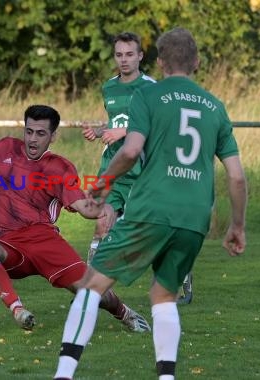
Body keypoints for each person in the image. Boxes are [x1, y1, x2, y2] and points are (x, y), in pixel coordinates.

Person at [53, 27, 247, 380]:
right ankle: (167, 377)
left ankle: (63, 374)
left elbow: (129, 150)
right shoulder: (216, 107)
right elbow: (236, 176)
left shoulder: (149, 95)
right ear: (197, 62)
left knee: (92, 285)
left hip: (152, 208)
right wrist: (236, 225)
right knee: (163, 294)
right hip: (194, 218)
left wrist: (101, 186)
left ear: (157, 61)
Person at [0, 104, 151, 333]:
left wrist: (101, 208)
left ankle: (124, 313)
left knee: (92, 292)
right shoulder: (4, 149)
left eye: (40, 133)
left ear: (53, 136)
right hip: (8, 244)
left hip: (44, 242)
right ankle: (18, 310)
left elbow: (81, 206)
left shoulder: (59, 167)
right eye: (29, 131)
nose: (32, 139)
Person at [82, 32, 193, 305]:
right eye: (119, 54)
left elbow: (158, 126)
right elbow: (115, 122)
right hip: (113, 169)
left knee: (158, 231)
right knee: (101, 224)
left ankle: (182, 277)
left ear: (140, 56)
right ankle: (89, 291)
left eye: (130, 54)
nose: (124, 60)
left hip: (143, 171)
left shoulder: (152, 88)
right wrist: (99, 132)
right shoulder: (109, 87)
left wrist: (122, 132)